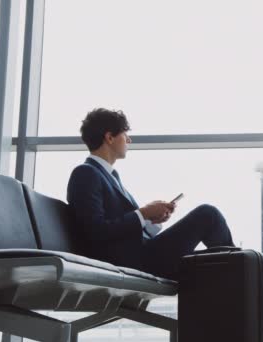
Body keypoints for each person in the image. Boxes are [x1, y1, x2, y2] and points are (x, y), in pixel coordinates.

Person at [67, 108, 235, 280]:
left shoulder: (110, 176)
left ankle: (238, 274)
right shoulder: (86, 173)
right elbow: (96, 231)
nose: (129, 140)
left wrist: (150, 220)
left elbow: (123, 228)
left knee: (212, 264)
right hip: (129, 261)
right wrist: (143, 213)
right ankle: (241, 271)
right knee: (208, 215)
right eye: (125, 135)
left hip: (139, 255)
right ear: (109, 138)